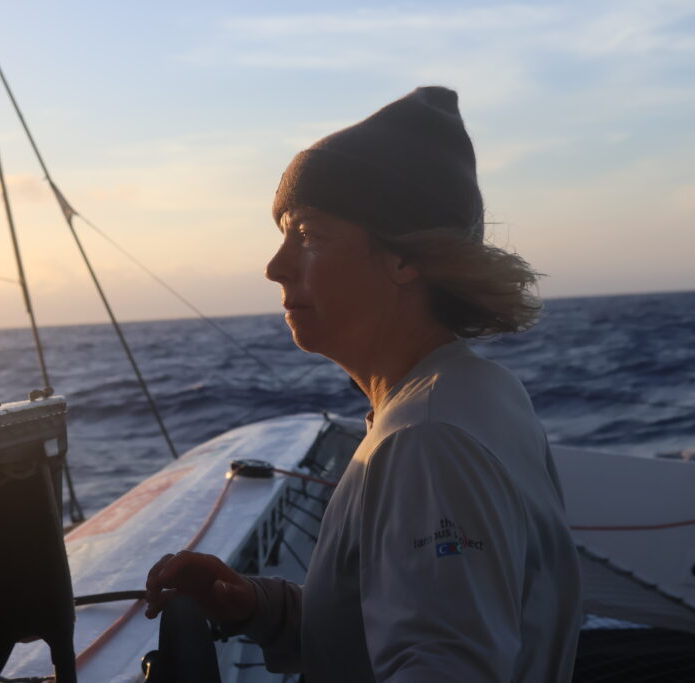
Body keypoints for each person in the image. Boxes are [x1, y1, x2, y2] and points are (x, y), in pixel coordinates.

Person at [144, 86, 582, 682]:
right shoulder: (476, 394)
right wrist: (256, 606)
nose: (275, 266)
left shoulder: (427, 441)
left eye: (308, 235)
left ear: (405, 259)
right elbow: (399, 624)